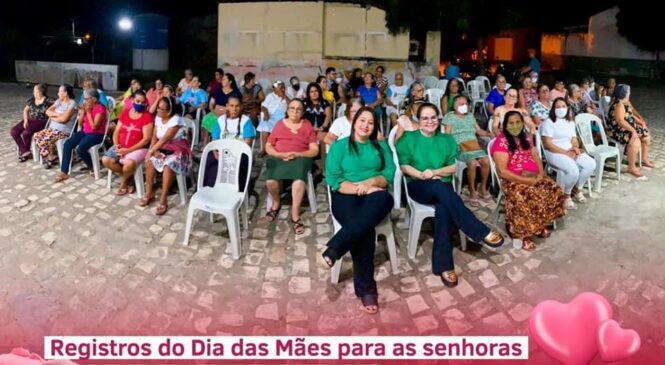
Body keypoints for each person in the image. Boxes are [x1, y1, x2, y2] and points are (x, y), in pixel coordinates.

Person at [396, 103, 504, 287]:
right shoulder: (408, 138)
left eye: (433, 118)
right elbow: (405, 166)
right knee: (440, 188)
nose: (429, 121)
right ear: (419, 120)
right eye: (425, 118)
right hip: (418, 184)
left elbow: (454, 167)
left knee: (444, 207)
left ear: (438, 119)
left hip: (442, 186)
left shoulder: (446, 139)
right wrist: (424, 174)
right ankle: (479, 231)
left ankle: (444, 266)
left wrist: (436, 171)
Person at [322, 106, 395, 314]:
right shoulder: (339, 146)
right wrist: (358, 188)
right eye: (362, 120)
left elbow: (388, 174)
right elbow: (334, 180)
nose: (366, 125)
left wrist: (371, 183)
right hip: (345, 196)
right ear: (354, 123)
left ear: (375, 127)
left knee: (384, 200)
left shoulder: (380, 146)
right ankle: (367, 289)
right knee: (365, 230)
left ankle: (336, 247)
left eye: (371, 122)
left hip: (374, 195)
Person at [490, 110, 565, 251]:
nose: (515, 125)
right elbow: (502, 172)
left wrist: (541, 174)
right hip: (512, 179)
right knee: (527, 195)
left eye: (518, 122)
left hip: (532, 174)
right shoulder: (501, 142)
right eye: (511, 123)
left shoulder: (525, 138)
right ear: (505, 126)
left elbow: (535, 156)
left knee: (553, 189)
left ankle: (540, 225)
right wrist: (526, 181)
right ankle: (522, 234)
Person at [264, 99, 319, 234]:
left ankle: (295, 213)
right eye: (292, 108)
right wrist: (278, 155)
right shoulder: (279, 125)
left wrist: (298, 154)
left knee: (299, 178)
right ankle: (276, 202)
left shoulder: (306, 125)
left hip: (300, 157)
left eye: (298, 109)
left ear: (303, 112)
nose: (295, 111)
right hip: (279, 156)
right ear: (287, 110)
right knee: (270, 179)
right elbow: (268, 145)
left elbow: (314, 150)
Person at [540, 97, 597, 209]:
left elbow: (574, 139)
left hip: (569, 149)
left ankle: (577, 189)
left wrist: (575, 147)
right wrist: (565, 153)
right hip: (554, 152)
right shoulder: (549, 122)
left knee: (591, 164)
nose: (561, 109)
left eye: (563, 106)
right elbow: (547, 144)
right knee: (573, 171)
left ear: (567, 108)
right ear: (553, 109)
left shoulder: (570, 122)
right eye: (558, 107)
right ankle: (566, 195)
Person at [142, 97, 192, 215]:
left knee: (168, 165)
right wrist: (152, 151)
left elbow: (165, 138)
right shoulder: (159, 118)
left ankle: (163, 198)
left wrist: (151, 151)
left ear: (169, 111)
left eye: (161, 109)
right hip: (163, 147)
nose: (158, 111)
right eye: (158, 108)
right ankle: (149, 193)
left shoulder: (176, 120)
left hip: (179, 149)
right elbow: (155, 136)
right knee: (150, 161)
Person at [442, 95, 493, 207]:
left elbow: (479, 131)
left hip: (473, 145)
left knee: (485, 161)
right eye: (460, 104)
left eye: (465, 104)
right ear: (454, 106)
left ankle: (482, 187)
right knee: (472, 162)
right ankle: (472, 190)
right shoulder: (450, 117)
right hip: (460, 147)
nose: (464, 106)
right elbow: (447, 135)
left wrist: (490, 134)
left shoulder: (470, 116)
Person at [102, 90, 154, 195]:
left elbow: (146, 139)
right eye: (137, 101)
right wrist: (117, 146)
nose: (140, 104)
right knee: (106, 160)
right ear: (132, 100)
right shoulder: (125, 113)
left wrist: (128, 150)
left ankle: (125, 182)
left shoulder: (147, 117)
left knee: (128, 163)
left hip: (138, 148)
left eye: (142, 102)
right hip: (121, 146)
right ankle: (130, 177)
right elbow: (116, 132)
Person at [54, 89, 107, 183]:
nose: (84, 101)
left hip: (97, 134)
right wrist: (83, 111)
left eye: (86, 99)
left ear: (94, 99)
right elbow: (80, 123)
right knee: (67, 144)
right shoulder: (88, 107)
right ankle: (64, 172)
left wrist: (89, 112)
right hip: (85, 132)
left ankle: (92, 166)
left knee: (80, 148)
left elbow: (94, 127)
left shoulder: (100, 108)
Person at [203, 95, 255, 189]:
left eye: (237, 106)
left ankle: (234, 191)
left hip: (239, 154)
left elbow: (247, 143)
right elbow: (214, 139)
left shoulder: (246, 121)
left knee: (233, 164)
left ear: (241, 107)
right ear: (227, 106)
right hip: (221, 153)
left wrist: (233, 154)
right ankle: (210, 190)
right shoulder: (221, 120)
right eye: (231, 106)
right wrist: (215, 151)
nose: (234, 109)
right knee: (210, 160)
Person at [606, 84, 653, 177]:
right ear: (625, 93)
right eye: (629, 92)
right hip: (617, 130)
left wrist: (641, 123)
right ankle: (631, 167)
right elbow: (620, 121)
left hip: (627, 127)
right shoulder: (618, 105)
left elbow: (630, 115)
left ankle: (644, 159)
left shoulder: (625, 102)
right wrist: (633, 131)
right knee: (635, 141)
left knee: (646, 135)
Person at [33, 84, 78, 168]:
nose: (57, 93)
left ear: (65, 93)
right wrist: (58, 115)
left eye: (60, 91)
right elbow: (47, 111)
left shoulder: (72, 104)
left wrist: (53, 117)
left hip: (64, 131)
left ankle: (50, 157)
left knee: (45, 139)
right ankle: (50, 156)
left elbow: (64, 119)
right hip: (52, 129)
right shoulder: (58, 101)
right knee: (36, 135)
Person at [11, 83, 54, 162]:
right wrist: (26, 120)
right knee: (14, 131)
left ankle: (25, 153)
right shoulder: (32, 100)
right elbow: (25, 110)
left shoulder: (49, 100)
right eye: (34, 91)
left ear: (41, 91)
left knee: (26, 133)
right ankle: (25, 151)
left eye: (35, 91)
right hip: (30, 120)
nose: (33, 93)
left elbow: (59, 104)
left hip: (41, 121)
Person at [258, 81, 290, 155]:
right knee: (265, 126)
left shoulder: (286, 96)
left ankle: (279, 148)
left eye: (283, 87)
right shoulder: (270, 96)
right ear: (275, 89)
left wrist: (284, 96)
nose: (282, 89)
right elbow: (263, 106)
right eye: (280, 87)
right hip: (270, 116)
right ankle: (264, 149)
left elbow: (292, 105)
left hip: (281, 117)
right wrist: (266, 113)